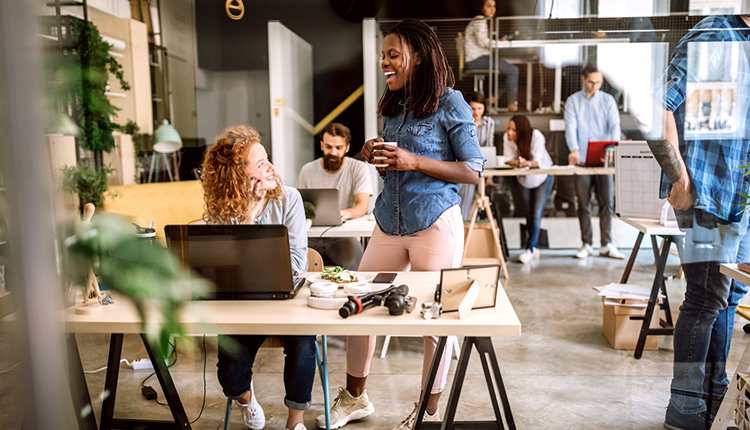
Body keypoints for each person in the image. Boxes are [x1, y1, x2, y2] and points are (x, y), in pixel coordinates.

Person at [315, 18, 485, 430]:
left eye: (393, 55)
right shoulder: (395, 105)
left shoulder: (451, 103)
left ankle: (428, 414)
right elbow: (395, 167)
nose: (384, 62)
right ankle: (356, 398)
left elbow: (473, 169)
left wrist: (414, 161)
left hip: (433, 224)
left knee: (435, 318)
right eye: (384, 55)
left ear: (419, 57)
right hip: (389, 224)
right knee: (358, 303)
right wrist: (372, 150)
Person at [646, 14, 750, 430]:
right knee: (705, 301)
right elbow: (654, 107)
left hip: (741, 198)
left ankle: (715, 396)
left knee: (727, 299)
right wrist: (680, 179)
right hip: (709, 194)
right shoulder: (717, 33)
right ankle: (685, 409)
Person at [202, 125, 315, 430]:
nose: (272, 168)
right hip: (242, 305)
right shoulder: (222, 210)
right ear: (238, 174)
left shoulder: (288, 199)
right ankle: (246, 400)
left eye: (268, 159)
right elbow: (225, 271)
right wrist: (249, 216)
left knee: (305, 346)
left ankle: (295, 422)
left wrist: (248, 264)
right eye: (261, 163)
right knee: (230, 373)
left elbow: (294, 265)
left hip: (285, 301)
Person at [564, 65, 624, 260]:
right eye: (591, 82)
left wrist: (614, 148)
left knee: (607, 201)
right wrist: (573, 149)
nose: (594, 86)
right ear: (583, 79)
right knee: (583, 203)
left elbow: (615, 125)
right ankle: (586, 244)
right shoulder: (573, 101)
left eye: (598, 83)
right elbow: (570, 127)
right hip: (581, 159)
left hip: (603, 160)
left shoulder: (608, 100)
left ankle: (606, 244)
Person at [296, 122, 373, 270]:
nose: (333, 152)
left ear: (347, 148)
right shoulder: (307, 170)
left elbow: (361, 206)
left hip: (344, 236)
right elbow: (298, 205)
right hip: (311, 236)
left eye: (338, 148)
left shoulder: (358, 168)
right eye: (328, 146)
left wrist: (345, 213)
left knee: (355, 266)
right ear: (321, 145)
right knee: (295, 263)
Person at [502, 115, 553, 264]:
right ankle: (534, 246)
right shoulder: (508, 138)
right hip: (524, 178)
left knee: (536, 212)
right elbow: (507, 159)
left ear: (522, 131)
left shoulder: (536, 136)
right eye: (508, 128)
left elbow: (537, 161)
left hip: (542, 176)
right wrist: (517, 162)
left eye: (513, 130)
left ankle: (529, 248)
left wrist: (526, 163)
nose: (509, 132)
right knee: (527, 212)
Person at [463, 0, 519, 111]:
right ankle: (512, 104)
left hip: (481, 59)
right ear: (481, 8)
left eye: (494, 6)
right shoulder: (479, 20)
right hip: (475, 60)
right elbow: (482, 42)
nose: (492, 9)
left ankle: (492, 97)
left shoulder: (485, 21)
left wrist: (498, 41)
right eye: (488, 6)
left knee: (509, 72)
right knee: (513, 70)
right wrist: (499, 42)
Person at [458, 91, 495, 220]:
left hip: (479, 166)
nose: (477, 112)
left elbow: (489, 147)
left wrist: (489, 175)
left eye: (480, 108)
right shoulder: (462, 121)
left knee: (470, 203)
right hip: (463, 164)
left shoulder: (489, 123)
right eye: (473, 108)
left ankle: (466, 225)